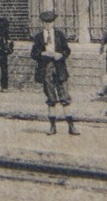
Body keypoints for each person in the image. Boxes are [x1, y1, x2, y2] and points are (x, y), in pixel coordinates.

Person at [31, 8, 78, 136]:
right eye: (45, 22)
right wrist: (42, 53)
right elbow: (33, 54)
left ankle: (71, 126)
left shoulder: (59, 35)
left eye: (50, 22)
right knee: (51, 98)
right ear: (42, 23)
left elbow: (67, 50)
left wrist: (61, 55)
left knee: (65, 96)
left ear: (54, 23)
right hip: (46, 69)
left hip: (59, 68)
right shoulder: (38, 37)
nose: (48, 25)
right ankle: (52, 127)